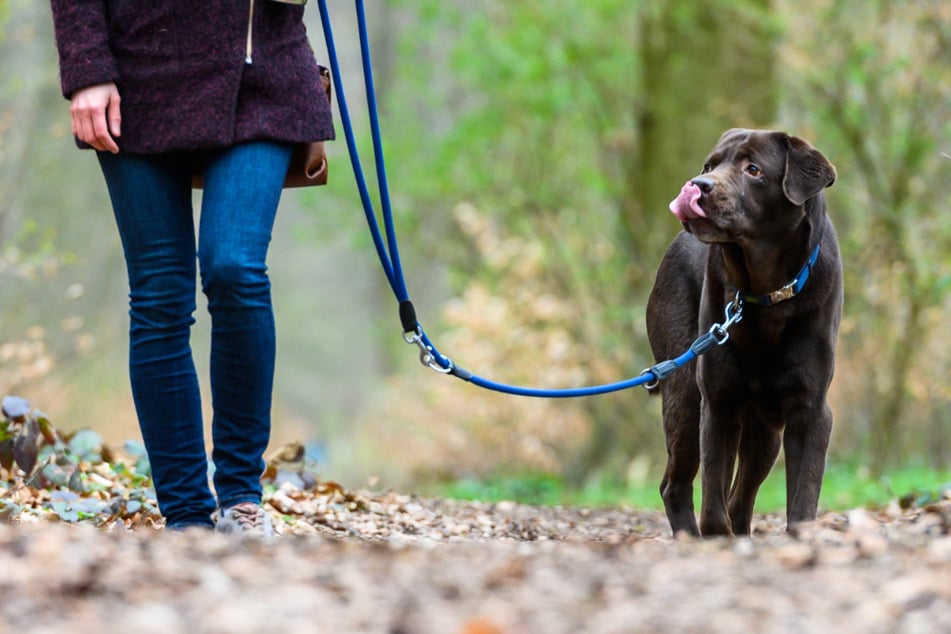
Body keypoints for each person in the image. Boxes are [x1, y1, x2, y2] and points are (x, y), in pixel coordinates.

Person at [50, 1, 334, 535]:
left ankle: (241, 501)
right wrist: (86, 69)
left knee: (235, 266)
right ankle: (186, 517)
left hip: (262, 74)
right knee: (160, 293)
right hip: (136, 74)